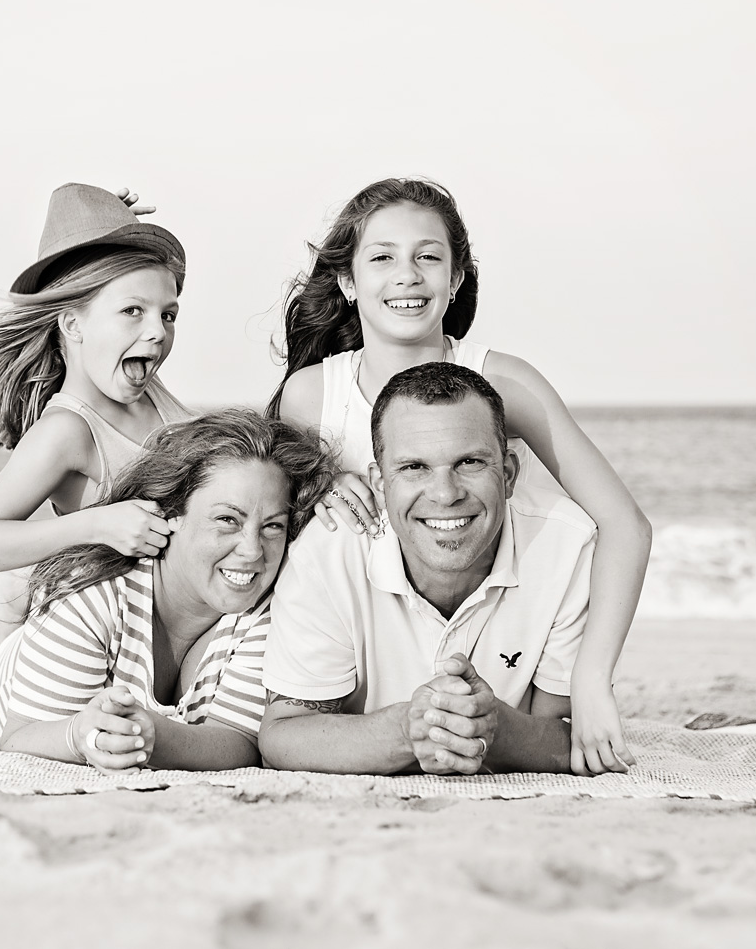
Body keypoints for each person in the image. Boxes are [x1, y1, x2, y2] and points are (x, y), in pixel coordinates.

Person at [266, 178, 650, 775]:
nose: (407, 274)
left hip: (501, 626)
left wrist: (592, 679)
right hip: (373, 644)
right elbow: (286, 537)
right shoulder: (314, 393)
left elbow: (623, 524)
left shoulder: (505, 381)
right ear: (347, 281)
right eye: (382, 257)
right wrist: (317, 487)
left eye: (428, 256)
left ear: (458, 276)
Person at [0, 410, 336, 772]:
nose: (252, 551)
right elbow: (18, 736)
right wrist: (79, 735)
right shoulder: (93, 598)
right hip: (3, 696)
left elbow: (238, 741)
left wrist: (154, 736)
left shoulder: (265, 609)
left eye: (272, 526)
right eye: (227, 520)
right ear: (172, 514)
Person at [259, 363, 596, 776]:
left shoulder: (566, 546)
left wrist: (495, 727)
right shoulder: (326, 553)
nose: (445, 494)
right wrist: (406, 731)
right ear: (380, 484)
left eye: (469, 462)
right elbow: (281, 737)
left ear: (508, 474)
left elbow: (571, 735)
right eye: (414, 467)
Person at [0, 183, 193, 635]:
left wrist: (110, 230)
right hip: (101, 630)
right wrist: (96, 524)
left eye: (168, 314)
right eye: (133, 311)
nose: (157, 331)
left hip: (170, 617)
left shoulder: (146, 388)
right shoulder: (68, 431)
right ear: (73, 323)